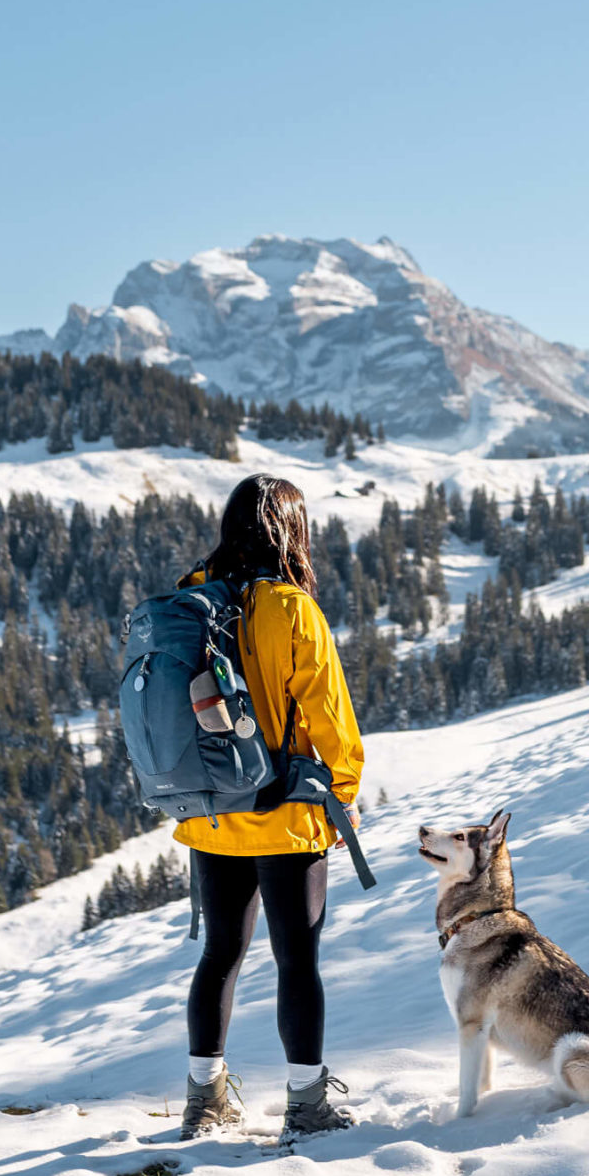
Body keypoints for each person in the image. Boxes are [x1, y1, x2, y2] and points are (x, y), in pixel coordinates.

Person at [174, 474, 367, 1141]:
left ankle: (204, 1100)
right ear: (293, 532)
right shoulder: (292, 609)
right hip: (285, 817)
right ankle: (306, 1104)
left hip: (211, 812)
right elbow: (333, 722)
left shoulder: (192, 597)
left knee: (220, 953)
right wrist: (343, 798)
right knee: (296, 961)